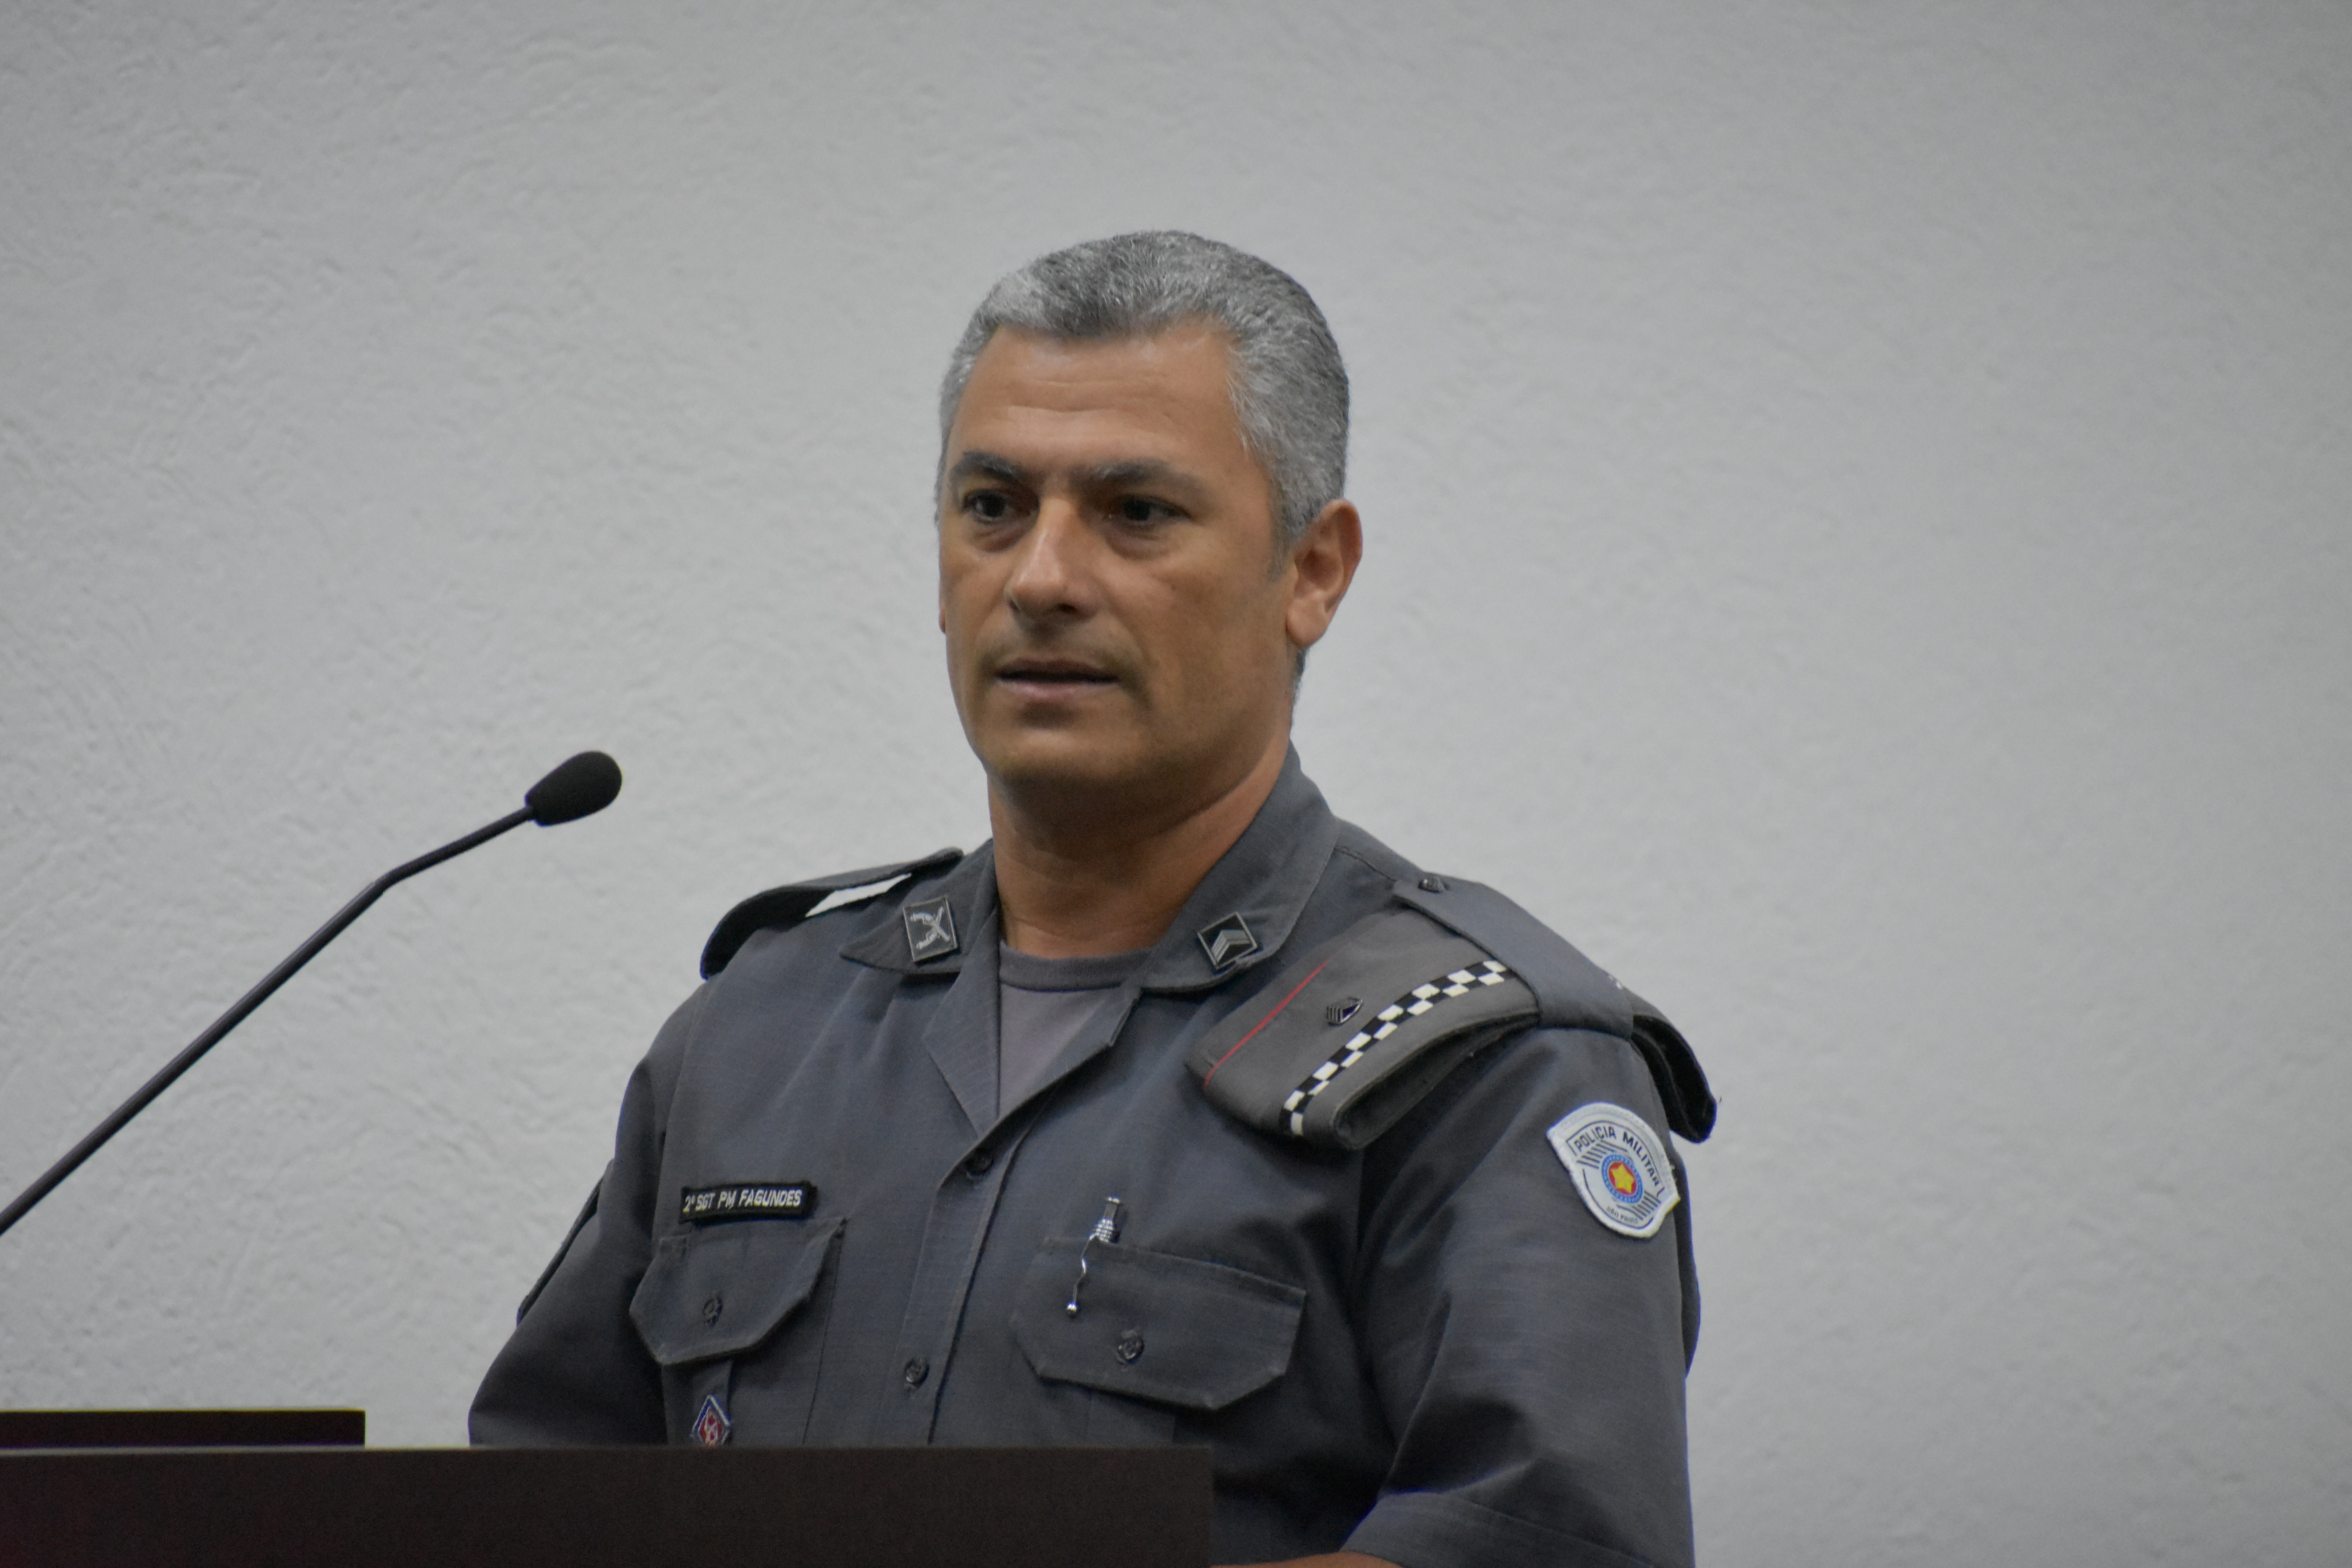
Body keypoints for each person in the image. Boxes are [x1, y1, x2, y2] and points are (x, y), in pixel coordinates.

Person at [470, 231, 1715, 1568]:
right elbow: (536, 1501)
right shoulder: (760, 1035)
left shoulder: (1483, 1063)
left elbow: (1544, 1542)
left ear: (1312, 570)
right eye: (993, 506)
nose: (1041, 578)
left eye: (1136, 513)